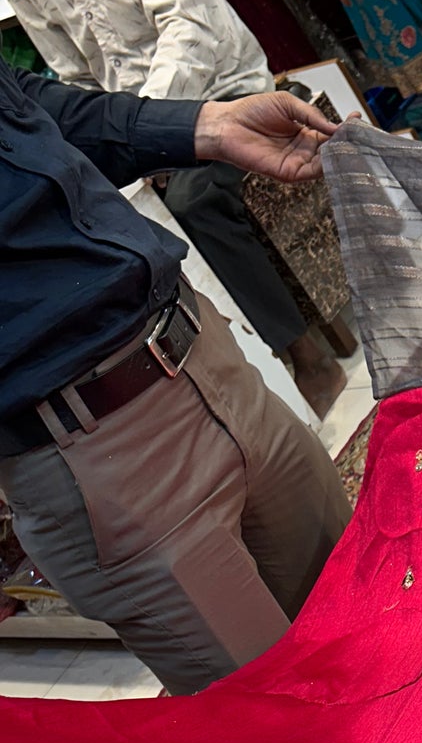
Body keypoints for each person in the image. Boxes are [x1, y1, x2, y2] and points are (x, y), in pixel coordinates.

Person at [0, 54, 351, 695]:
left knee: (374, 620)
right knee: (288, 732)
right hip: (96, 452)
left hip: (209, 361)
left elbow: (26, 109)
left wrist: (208, 127)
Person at [0, 0, 344, 410]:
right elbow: (70, 73)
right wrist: (121, 144)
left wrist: (153, 132)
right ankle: (211, 384)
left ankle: (306, 356)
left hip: (219, 89)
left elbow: (189, 22)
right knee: (86, 213)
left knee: (192, 194)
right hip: (132, 121)